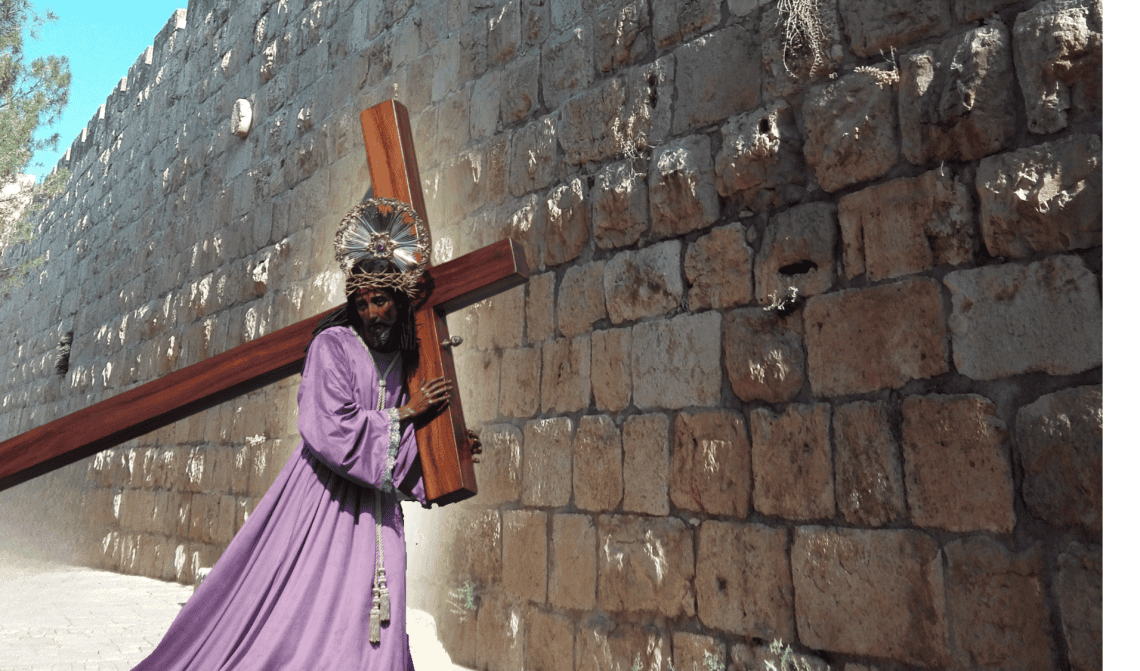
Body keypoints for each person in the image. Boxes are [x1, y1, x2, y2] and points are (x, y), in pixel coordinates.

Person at [134, 199, 472, 670]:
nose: (372, 313)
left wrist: (447, 451)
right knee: (305, 605)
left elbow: (408, 439)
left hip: (377, 508)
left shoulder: (405, 361)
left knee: (383, 600)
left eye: (380, 301)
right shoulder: (332, 346)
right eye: (362, 303)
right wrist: (404, 414)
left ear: (400, 301)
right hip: (321, 497)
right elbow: (329, 426)